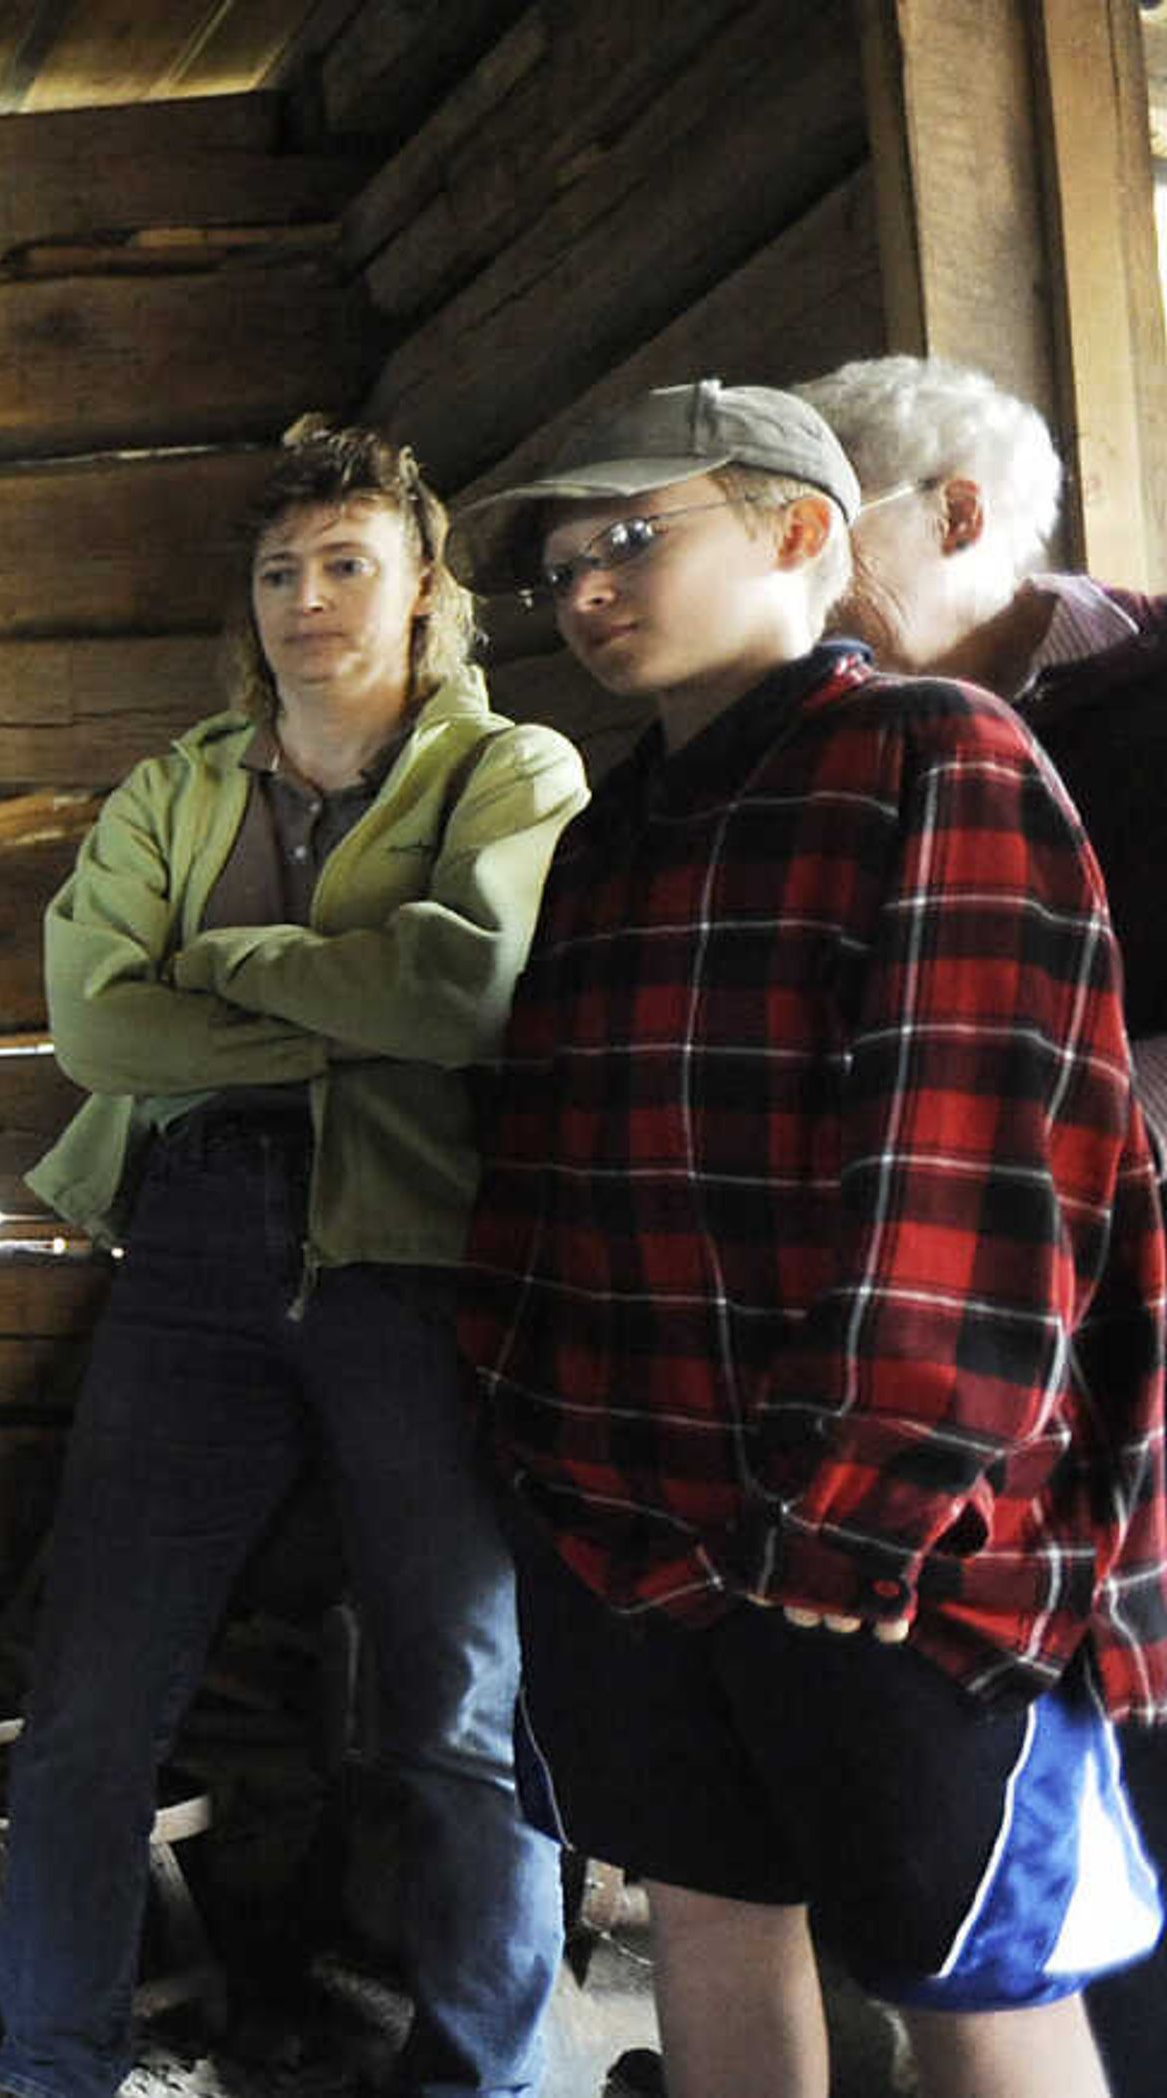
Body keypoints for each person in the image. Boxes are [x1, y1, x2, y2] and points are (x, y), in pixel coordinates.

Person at [454, 380, 1165, 2098]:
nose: (590, 588)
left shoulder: (940, 759)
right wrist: (549, 1464)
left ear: (796, 529)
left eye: (633, 536)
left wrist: (869, 1508)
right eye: (561, 569)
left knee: (969, 1969)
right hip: (640, 1521)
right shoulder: (618, 829)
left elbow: (975, 1175)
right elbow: (555, 1162)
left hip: (894, 1544)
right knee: (709, 1914)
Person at [0, 420, 586, 2098]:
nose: (307, 600)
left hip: (414, 1270)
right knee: (93, 1706)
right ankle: (50, 2065)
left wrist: (231, 966)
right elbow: (101, 1026)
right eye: (278, 572)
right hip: (188, 1257)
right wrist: (344, 1013)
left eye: (346, 566)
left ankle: (483, 2076)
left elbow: (464, 992)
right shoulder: (177, 786)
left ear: (421, 594)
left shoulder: (513, 773)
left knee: (462, 1715)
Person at [797, 351, 1167, 2096]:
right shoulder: (831, 750)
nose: (792, 554)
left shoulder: (1157, 689)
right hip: (979, 1374)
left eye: (826, 510)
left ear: (956, 512)